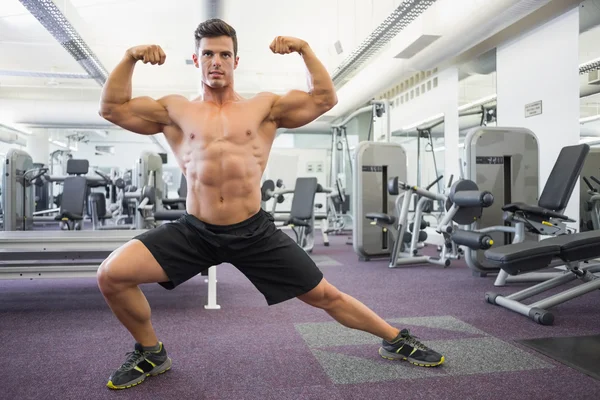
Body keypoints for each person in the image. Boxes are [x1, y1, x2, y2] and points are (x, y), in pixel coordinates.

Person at [98, 18, 445, 390]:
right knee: (111, 275)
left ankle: (395, 339)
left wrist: (305, 49)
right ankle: (151, 352)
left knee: (324, 295)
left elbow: (324, 99)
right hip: (195, 231)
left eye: (224, 54)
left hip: (253, 232)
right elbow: (113, 109)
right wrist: (130, 57)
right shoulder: (174, 110)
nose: (217, 61)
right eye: (208, 54)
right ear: (196, 61)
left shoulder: (264, 108)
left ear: (236, 61)